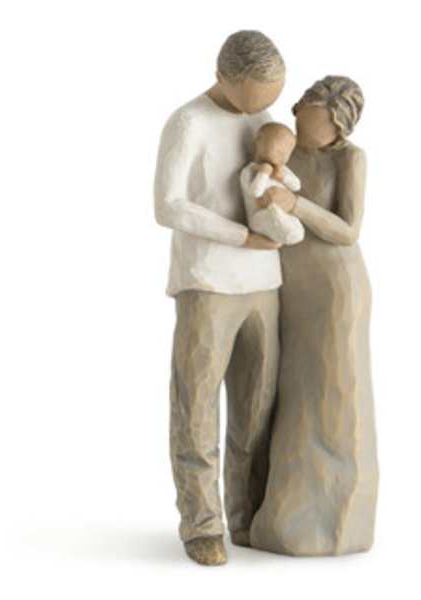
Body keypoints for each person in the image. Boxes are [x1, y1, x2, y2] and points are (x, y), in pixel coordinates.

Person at [153, 30, 285, 566]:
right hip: (207, 282)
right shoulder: (188, 123)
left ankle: (248, 515)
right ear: (224, 77)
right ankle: (202, 523)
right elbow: (168, 205)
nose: (264, 107)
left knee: (258, 408)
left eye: (272, 95)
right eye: (255, 94)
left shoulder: (263, 120)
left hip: (264, 283)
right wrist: (241, 237)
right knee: (197, 406)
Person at [250, 76, 380, 556]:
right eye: (304, 117)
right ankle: (280, 511)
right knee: (291, 393)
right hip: (288, 287)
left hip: (334, 290)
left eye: (318, 123)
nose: (305, 129)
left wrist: (296, 204)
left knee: (332, 395)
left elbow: (348, 229)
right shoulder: (283, 148)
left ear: (339, 126)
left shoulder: (350, 159)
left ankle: (331, 521)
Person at [241, 122, 304, 245]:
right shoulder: (250, 171)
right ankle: (287, 231)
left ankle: (292, 232)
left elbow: (297, 186)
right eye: (279, 149)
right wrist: (263, 173)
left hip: (282, 213)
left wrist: (283, 177)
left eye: (287, 152)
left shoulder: (281, 169)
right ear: (259, 142)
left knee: (293, 222)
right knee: (273, 215)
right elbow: (255, 193)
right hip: (258, 216)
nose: (283, 155)